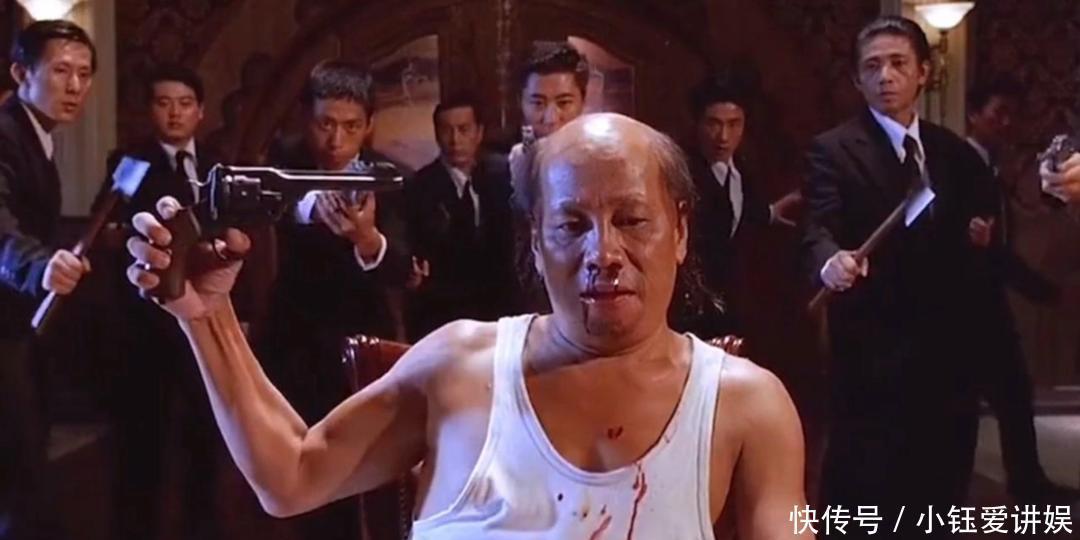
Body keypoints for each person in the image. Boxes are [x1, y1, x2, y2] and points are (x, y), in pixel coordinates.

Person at [125, 112, 808, 538]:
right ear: (534, 240)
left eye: (632, 220)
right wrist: (207, 316)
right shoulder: (459, 366)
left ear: (680, 232)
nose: (603, 252)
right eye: (571, 225)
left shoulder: (747, 405)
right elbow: (292, 476)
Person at [802, 16, 995, 535]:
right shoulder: (833, 149)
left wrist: (982, 236)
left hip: (947, 354)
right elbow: (818, 228)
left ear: (923, 72)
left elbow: (979, 226)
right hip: (874, 353)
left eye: (897, 63)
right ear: (856, 79)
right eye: (872, 67)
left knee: (941, 486)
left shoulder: (952, 152)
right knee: (868, 489)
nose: (885, 76)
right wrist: (830, 260)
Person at [256, 59, 410, 540]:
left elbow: (404, 267)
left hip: (361, 347)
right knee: (291, 478)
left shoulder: (389, 178)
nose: (335, 140)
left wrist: (367, 240)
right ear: (308, 119)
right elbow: (272, 202)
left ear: (369, 125)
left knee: (356, 479)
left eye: (350, 126)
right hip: (292, 344)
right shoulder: (281, 160)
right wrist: (311, 205)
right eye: (325, 124)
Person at [91, 64, 225, 539]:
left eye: (184, 104)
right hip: (143, 324)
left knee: (206, 439)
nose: (174, 113)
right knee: (140, 443)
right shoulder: (131, 163)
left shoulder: (218, 165)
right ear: (150, 110)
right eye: (163, 103)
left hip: (204, 320)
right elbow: (105, 226)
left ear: (200, 111)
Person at [0, 20, 96, 540]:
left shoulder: (33, 133)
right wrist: (39, 266)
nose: (75, 86)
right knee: (22, 482)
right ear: (21, 74)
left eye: (84, 73)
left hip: (18, 324)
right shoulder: (5, 132)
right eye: (60, 71)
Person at [965, 79, 1077, 501]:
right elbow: (987, 253)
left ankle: (1027, 483)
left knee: (1012, 395)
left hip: (988, 307)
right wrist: (1046, 292)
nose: (1007, 124)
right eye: (998, 113)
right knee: (974, 402)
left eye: (1012, 115)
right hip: (966, 311)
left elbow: (998, 248)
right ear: (974, 115)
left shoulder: (992, 169)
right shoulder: (961, 167)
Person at [685, 74, 800, 335]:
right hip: (693, 303)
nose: (723, 136)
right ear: (697, 124)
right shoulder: (685, 173)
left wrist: (770, 213)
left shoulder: (742, 171)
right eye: (713, 124)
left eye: (734, 124)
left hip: (732, 298)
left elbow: (738, 212)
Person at [404, 94, 516, 339]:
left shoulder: (503, 179)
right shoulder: (418, 187)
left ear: (479, 132)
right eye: (446, 130)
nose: (455, 140)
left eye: (463, 129)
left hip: (499, 312)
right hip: (440, 315)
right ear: (436, 134)